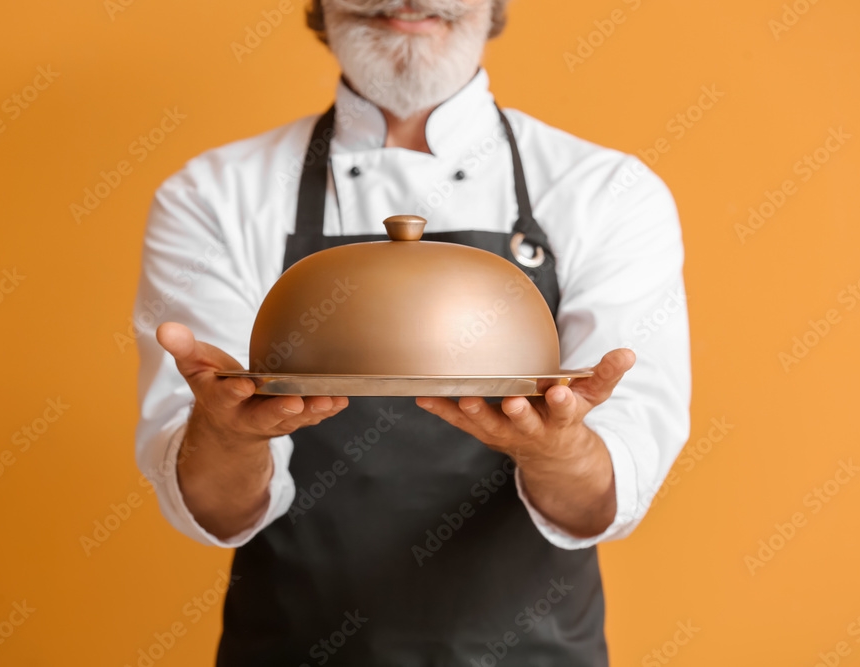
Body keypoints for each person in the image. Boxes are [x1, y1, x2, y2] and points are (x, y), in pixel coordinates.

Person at [134, 0, 691, 664]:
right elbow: (213, 509)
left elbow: (606, 496)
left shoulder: (609, 192)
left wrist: (559, 451)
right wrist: (225, 434)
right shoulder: (213, 196)